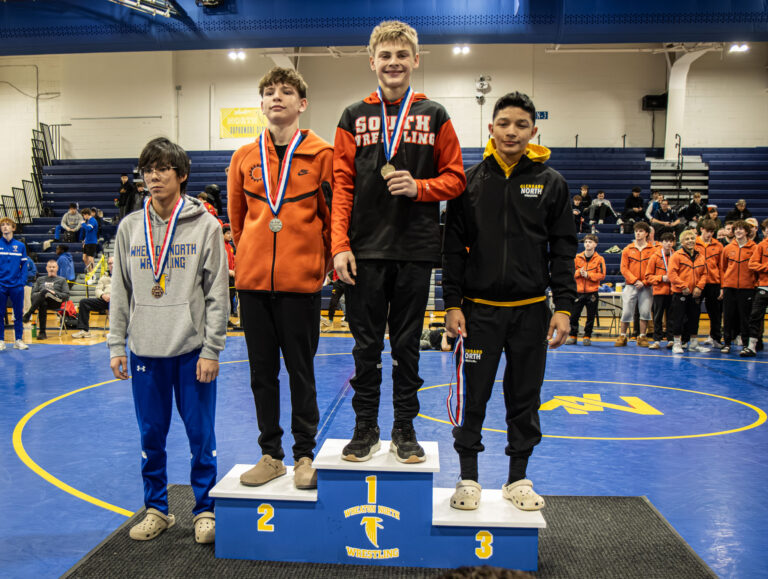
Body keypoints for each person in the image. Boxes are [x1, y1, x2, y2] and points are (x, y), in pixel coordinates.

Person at [332, 20, 466, 463]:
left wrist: (421, 187)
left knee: (407, 346)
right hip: (364, 250)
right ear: (372, 62)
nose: (393, 62)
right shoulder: (353, 116)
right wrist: (339, 245)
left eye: (401, 55)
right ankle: (365, 426)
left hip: (415, 248)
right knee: (365, 347)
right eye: (385, 56)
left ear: (415, 60)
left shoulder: (435, 114)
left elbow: (456, 179)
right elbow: (342, 186)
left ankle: (404, 427)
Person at [443, 91, 576, 512]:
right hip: (478, 312)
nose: (512, 131)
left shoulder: (552, 183)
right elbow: (452, 250)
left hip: (531, 312)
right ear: (491, 128)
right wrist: (451, 304)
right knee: (474, 398)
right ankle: (468, 477)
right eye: (504, 124)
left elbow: (564, 250)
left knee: (525, 398)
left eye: (521, 125)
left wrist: (564, 307)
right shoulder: (468, 182)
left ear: (533, 131)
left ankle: (517, 479)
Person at [108, 137, 229, 544]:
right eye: (148, 170)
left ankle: (205, 510)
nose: (153, 177)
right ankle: (157, 509)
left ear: (182, 174)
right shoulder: (129, 227)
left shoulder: (205, 225)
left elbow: (218, 294)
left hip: (192, 352)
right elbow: (120, 290)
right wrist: (115, 343)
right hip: (145, 349)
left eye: (162, 169)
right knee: (150, 436)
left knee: (201, 435)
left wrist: (212, 349)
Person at [228, 67, 332, 490]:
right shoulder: (243, 157)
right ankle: (270, 455)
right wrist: (251, 259)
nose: (276, 97)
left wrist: (318, 264)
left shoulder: (323, 155)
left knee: (301, 373)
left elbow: (333, 217)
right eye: (269, 92)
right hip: (253, 285)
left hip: (300, 285)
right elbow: (237, 221)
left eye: (286, 92)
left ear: (301, 104)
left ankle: (305, 454)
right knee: (261, 374)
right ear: (261, 104)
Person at [668, 230, 709, 354]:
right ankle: (677, 343)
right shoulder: (676, 256)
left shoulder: (700, 256)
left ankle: (694, 344)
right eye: (687, 239)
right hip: (680, 293)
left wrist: (699, 287)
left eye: (692, 238)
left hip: (695, 293)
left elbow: (704, 274)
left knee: (694, 318)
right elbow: (672, 274)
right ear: (682, 242)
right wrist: (683, 286)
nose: (690, 241)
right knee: (678, 319)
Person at [719, 220, 757, 353]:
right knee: (728, 316)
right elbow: (723, 268)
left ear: (746, 231)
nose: (738, 231)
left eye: (741, 229)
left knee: (745, 317)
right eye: (736, 229)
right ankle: (727, 343)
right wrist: (723, 286)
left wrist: (754, 283)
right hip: (729, 287)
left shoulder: (754, 248)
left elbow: (756, 269)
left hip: (747, 288)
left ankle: (746, 344)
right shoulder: (728, 248)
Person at [615, 222, 654, 347]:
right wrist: (635, 280)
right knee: (626, 311)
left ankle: (642, 336)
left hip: (646, 286)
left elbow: (654, 269)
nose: (638, 233)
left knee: (645, 312)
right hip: (631, 285)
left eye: (641, 231)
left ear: (646, 233)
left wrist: (645, 282)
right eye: (636, 231)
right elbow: (623, 268)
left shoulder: (653, 250)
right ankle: (622, 336)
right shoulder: (628, 249)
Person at [567, 234, 605, 346]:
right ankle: (573, 336)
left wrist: (588, 275)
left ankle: (587, 336)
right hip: (578, 292)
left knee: (590, 316)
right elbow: (570, 273)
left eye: (590, 242)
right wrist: (579, 272)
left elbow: (602, 275)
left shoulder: (599, 259)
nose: (587, 244)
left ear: (595, 244)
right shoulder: (577, 258)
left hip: (592, 292)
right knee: (574, 315)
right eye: (586, 242)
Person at [0, 217, 30, 350]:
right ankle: (1, 340)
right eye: (2, 225)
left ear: (13, 228)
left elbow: (24, 266)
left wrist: (22, 282)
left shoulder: (20, 246)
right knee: (0, 314)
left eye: (8, 224)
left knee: (18, 314)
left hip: (16, 285)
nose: (5, 226)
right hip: (1, 285)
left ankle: (18, 340)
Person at [22, 259, 69, 340]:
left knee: (45, 291)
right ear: (46, 268)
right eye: (50, 267)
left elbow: (66, 295)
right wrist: (41, 294)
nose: (51, 269)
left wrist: (54, 293)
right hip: (41, 301)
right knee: (43, 303)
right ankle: (42, 333)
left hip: (55, 301)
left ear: (57, 268)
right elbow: (33, 293)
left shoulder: (62, 280)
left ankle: (29, 313)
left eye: (53, 267)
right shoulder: (40, 279)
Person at [695, 219, 724, 346]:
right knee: (694, 312)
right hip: (698, 283)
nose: (710, 234)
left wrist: (722, 286)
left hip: (714, 282)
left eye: (712, 232)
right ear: (701, 229)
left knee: (715, 313)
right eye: (708, 231)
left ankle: (715, 338)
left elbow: (722, 267)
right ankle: (691, 338)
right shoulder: (694, 243)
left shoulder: (718, 245)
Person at [742, 218, 768, 357]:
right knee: (755, 316)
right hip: (763, 286)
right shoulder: (761, 246)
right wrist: (766, 268)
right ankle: (751, 346)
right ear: (764, 231)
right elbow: (752, 264)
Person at [645, 232, 675, 349]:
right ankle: (657, 340)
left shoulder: (676, 256)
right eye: (666, 241)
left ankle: (671, 339)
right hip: (659, 291)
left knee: (672, 317)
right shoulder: (655, 257)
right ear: (661, 243)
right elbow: (648, 276)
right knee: (658, 317)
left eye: (671, 241)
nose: (668, 243)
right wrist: (661, 278)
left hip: (673, 291)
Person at [72, 256, 112, 339]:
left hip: (118, 300)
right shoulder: (104, 277)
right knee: (84, 302)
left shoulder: (122, 276)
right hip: (105, 300)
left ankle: (116, 332)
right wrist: (103, 295)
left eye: (113, 263)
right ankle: (84, 330)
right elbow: (97, 290)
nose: (111, 265)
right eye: (109, 263)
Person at [222, 224, 237, 328]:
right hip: (225, 275)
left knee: (229, 298)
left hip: (231, 275)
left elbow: (232, 261)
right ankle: (224, 320)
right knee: (225, 299)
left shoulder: (230, 247)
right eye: (228, 233)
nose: (230, 235)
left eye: (231, 233)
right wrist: (228, 271)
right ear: (222, 234)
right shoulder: (221, 245)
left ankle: (227, 319)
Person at [80, 207, 99, 272]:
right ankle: (90, 272)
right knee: (84, 258)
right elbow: (88, 233)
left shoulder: (92, 220)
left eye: (83, 215)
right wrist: (85, 241)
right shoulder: (88, 221)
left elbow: (88, 229)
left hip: (92, 242)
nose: (83, 217)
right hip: (87, 242)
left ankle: (93, 273)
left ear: (86, 214)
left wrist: (83, 224)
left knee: (90, 258)